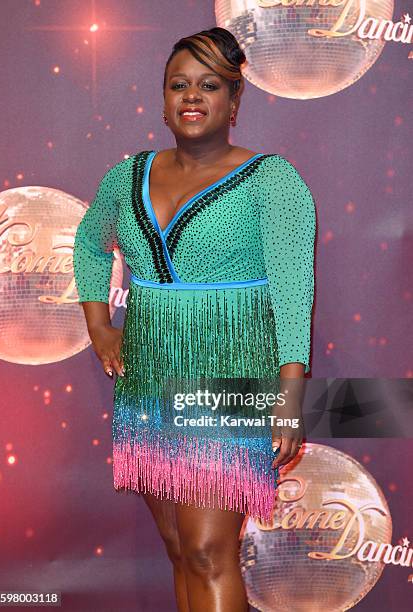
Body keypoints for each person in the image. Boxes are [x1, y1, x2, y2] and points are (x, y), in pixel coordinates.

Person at [73, 26, 316, 612]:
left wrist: (288, 398)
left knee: (210, 552)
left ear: (235, 103)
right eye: (179, 84)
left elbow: (294, 291)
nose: (192, 96)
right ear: (161, 99)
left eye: (210, 86)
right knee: (179, 547)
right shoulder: (127, 175)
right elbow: (88, 245)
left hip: (231, 384)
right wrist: (101, 325)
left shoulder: (273, 181)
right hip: (148, 385)